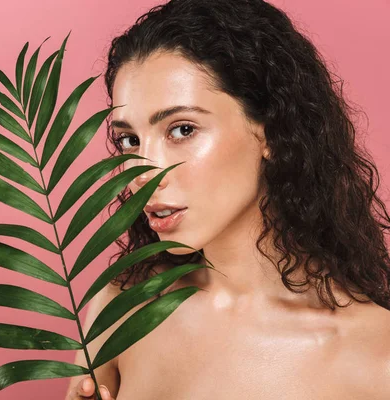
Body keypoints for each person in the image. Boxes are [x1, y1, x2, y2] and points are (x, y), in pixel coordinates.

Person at [65, 0, 390, 398]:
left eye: (182, 130)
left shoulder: (376, 356)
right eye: (130, 140)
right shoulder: (121, 308)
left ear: (272, 131)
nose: (143, 177)